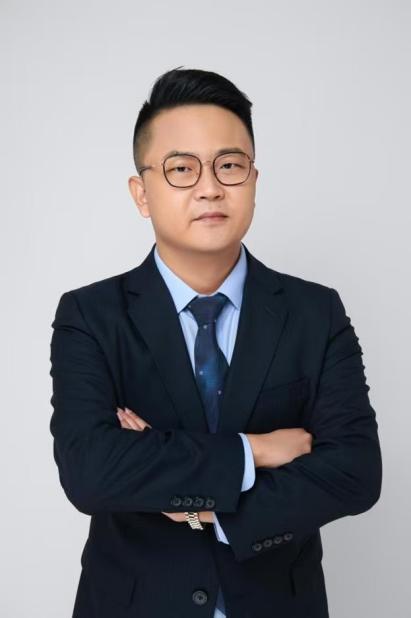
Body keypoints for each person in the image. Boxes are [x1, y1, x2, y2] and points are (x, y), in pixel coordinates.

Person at [49, 66, 382, 618]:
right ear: (142, 193)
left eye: (230, 165)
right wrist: (256, 451)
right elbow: (91, 472)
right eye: (181, 168)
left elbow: (354, 472)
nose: (210, 187)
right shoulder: (91, 315)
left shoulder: (314, 312)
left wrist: (203, 507)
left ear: (253, 180)